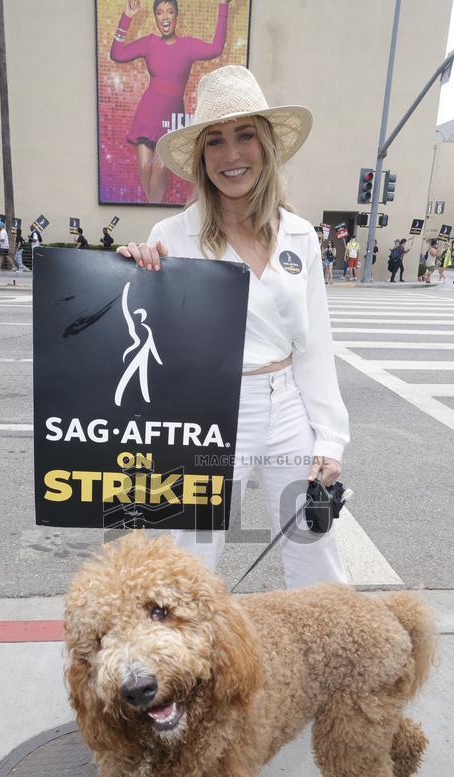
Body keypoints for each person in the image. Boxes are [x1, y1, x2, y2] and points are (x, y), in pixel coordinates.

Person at [118, 64, 349, 588]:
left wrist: (330, 438)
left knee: (316, 549)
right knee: (188, 560)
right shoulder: (171, 234)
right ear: (201, 157)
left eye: (245, 135)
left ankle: (327, 663)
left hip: (289, 403)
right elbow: (146, 332)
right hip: (211, 410)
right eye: (215, 141)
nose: (232, 155)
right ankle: (182, 667)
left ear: (266, 145)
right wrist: (134, 275)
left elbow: (315, 346)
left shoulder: (300, 235)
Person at [110, 0, 232, 204]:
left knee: (159, 167)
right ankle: (152, 216)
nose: (165, 17)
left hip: (172, 118)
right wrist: (127, 17)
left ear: (177, 15)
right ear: (155, 18)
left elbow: (216, 48)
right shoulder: (149, 43)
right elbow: (116, 54)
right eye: (159, 13)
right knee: (144, 169)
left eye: (169, 12)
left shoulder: (188, 46)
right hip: (147, 114)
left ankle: (152, 216)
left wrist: (223, 5)